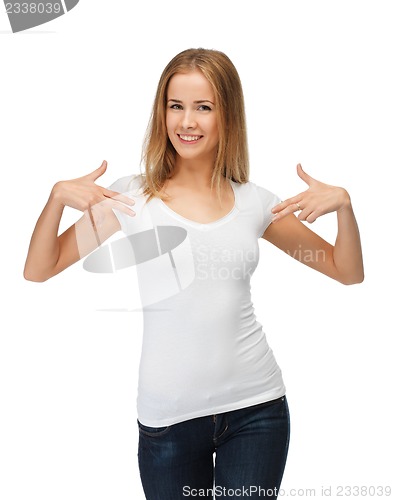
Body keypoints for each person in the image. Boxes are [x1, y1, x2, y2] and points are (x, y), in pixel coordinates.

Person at [24, 48, 364, 499]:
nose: (187, 122)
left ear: (228, 114)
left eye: (203, 107)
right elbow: (40, 268)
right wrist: (55, 200)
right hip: (168, 422)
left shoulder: (256, 203)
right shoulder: (130, 197)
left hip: (256, 411)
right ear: (161, 112)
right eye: (175, 106)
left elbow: (346, 271)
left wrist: (344, 206)